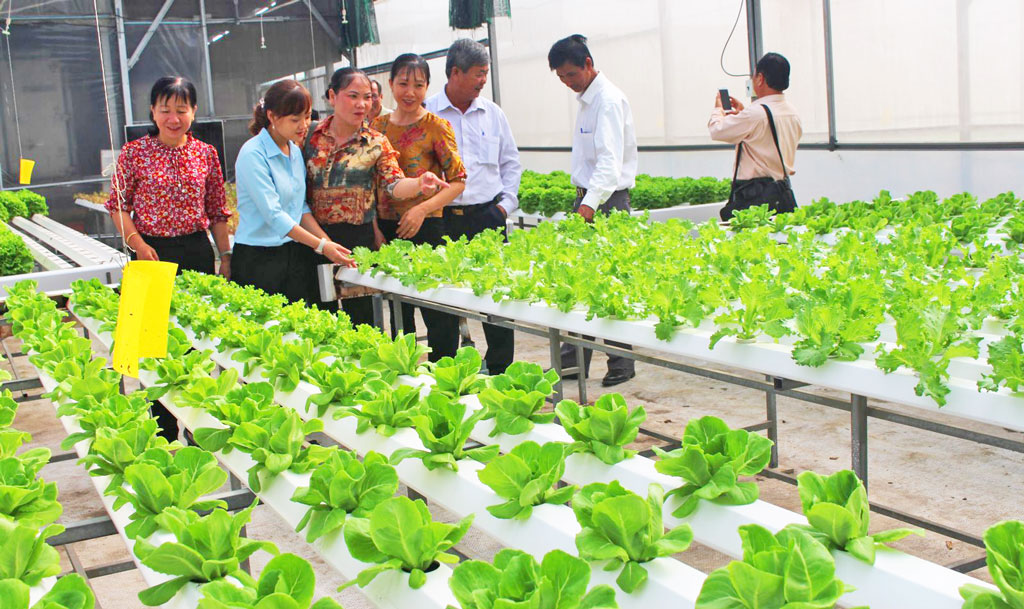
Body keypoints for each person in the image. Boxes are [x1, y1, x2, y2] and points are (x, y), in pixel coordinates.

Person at [304, 67, 450, 327]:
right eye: (353, 96)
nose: (362, 104)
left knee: (362, 322)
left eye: (368, 97)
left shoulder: (376, 142)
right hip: (314, 239)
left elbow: (393, 184)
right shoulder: (310, 137)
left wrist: (419, 183)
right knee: (317, 321)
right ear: (332, 96)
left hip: (357, 244)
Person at [425, 38, 522, 376]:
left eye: (486, 73)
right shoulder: (428, 114)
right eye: (479, 74)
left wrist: (504, 208)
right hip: (443, 220)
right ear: (455, 72)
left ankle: (500, 370)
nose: (483, 80)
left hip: (487, 218)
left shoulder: (493, 113)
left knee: (497, 298)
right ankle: (447, 372)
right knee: (442, 301)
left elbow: (511, 164)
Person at [548, 34, 637, 387]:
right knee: (577, 283)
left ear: (588, 63)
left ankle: (621, 364)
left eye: (571, 74)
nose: (568, 83)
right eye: (561, 78)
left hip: (606, 203)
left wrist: (587, 206)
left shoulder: (608, 100)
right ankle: (572, 362)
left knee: (611, 284)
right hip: (588, 199)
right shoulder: (588, 99)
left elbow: (609, 164)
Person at [372, 54, 467, 360]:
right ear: (390, 85)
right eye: (403, 84)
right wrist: (374, 228)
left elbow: (458, 181)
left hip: (427, 227)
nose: (409, 92)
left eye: (418, 85)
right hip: (387, 228)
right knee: (399, 308)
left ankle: (445, 374)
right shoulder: (378, 126)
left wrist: (422, 209)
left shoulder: (436, 127)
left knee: (437, 307)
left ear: (427, 88)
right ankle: (408, 373)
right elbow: (369, 182)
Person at [233, 79, 353, 305]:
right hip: (258, 259)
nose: (304, 125)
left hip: (292, 254)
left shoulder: (294, 151)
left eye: (307, 117)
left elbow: (299, 209)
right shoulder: (253, 154)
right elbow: (275, 217)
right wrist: (321, 246)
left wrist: (327, 243)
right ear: (271, 116)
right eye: (295, 119)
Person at [105, 76, 231, 278]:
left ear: (193, 111)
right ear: (153, 111)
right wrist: (139, 246)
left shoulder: (206, 153)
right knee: (155, 309)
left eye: (181, 111)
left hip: (197, 251)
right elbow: (118, 207)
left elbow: (217, 211)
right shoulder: (134, 153)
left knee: (198, 309)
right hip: (151, 251)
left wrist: (225, 257)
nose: (174, 119)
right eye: (165, 111)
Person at [709, 52, 802, 220]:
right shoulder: (792, 113)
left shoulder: (756, 114)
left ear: (760, 78)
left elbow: (717, 130)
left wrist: (718, 110)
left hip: (754, 195)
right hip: (781, 193)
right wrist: (743, 113)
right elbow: (766, 136)